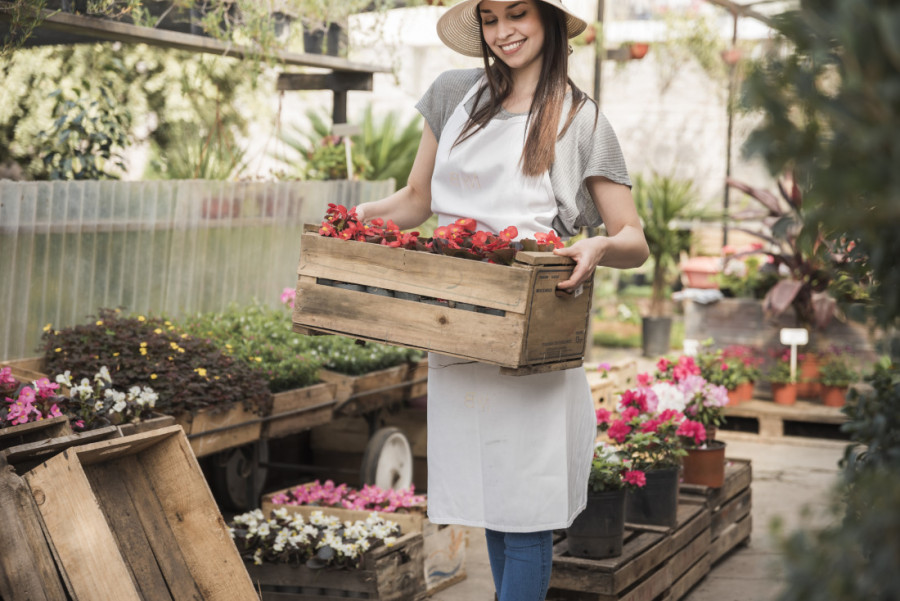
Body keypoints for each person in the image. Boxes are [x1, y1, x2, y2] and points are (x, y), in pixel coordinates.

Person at [356, 1, 649, 599]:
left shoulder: (579, 119)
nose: (503, 32)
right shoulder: (452, 94)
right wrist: (357, 218)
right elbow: (416, 199)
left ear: (547, 20)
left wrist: (594, 247)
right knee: (491, 500)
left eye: (517, 15)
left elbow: (634, 239)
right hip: (459, 315)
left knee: (526, 512)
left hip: (532, 320)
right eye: (489, 19)